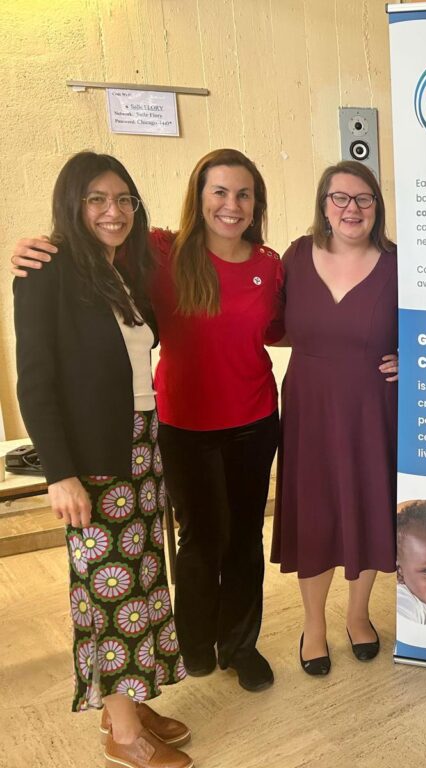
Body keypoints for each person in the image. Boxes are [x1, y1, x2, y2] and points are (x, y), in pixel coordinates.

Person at [12, 148, 285, 693]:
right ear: (198, 198)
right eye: (219, 192)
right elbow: (96, 238)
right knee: (200, 538)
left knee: (244, 537)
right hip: (182, 425)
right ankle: (194, 643)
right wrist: (32, 247)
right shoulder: (161, 251)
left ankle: (240, 645)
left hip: (254, 419)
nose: (231, 205)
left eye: (244, 194)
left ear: (256, 204)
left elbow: (284, 327)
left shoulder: (269, 263)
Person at [14, 152, 192, 768]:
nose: (112, 211)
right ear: (73, 204)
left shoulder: (123, 270)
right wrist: (58, 473)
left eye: (123, 199)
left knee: (141, 581)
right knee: (108, 591)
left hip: (139, 444)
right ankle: (123, 735)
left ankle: (127, 703)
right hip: (91, 459)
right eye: (96, 199)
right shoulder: (46, 271)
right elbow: (35, 380)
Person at [270, 161, 398, 674]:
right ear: (324, 205)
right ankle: (314, 625)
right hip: (310, 406)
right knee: (315, 513)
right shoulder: (295, 257)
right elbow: (268, 321)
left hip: (372, 406)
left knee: (367, 506)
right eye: (340, 197)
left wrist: (412, 356)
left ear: (377, 208)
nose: (352, 208)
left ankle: (359, 615)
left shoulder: (398, 264)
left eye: (364, 198)